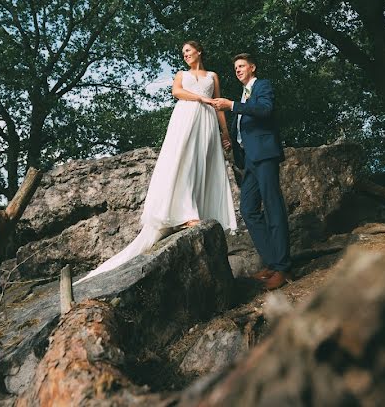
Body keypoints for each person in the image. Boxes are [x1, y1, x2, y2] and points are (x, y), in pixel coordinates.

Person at [79, 41, 237, 281]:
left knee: (201, 164)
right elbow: (177, 92)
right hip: (185, 119)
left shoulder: (212, 76)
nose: (185, 55)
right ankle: (184, 212)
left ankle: (199, 208)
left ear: (199, 52)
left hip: (206, 123)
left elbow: (219, 106)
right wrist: (202, 100)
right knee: (182, 163)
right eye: (182, 52)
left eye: (188, 51)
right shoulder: (181, 74)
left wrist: (225, 133)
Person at [211, 53, 291, 290]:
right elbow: (245, 128)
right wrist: (232, 142)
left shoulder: (262, 86)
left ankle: (283, 268)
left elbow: (265, 110)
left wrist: (232, 106)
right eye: (235, 67)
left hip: (265, 155)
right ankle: (273, 262)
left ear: (252, 67)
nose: (237, 70)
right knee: (248, 209)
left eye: (241, 66)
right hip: (250, 160)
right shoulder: (243, 96)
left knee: (273, 206)